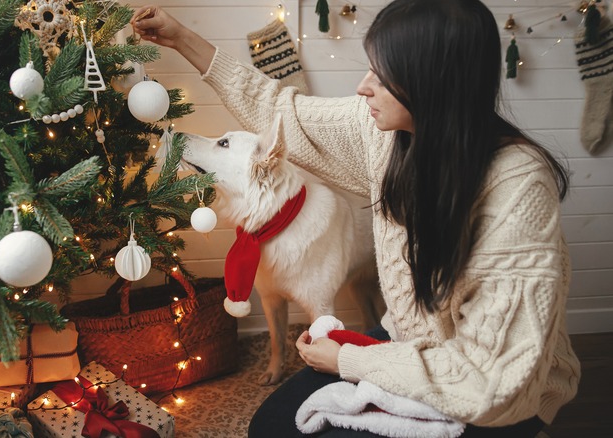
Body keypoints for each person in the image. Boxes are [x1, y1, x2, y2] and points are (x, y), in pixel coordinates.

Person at [132, 0, 581, 436]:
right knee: (270, 426)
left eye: (383, 76)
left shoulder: (518, 187)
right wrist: (181, 37)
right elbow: (280, 108)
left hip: (493, 390)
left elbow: (492, 381)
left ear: (434, 84)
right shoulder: (385, 132)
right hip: (408, 348)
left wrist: (348, 360)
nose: (364, 86)